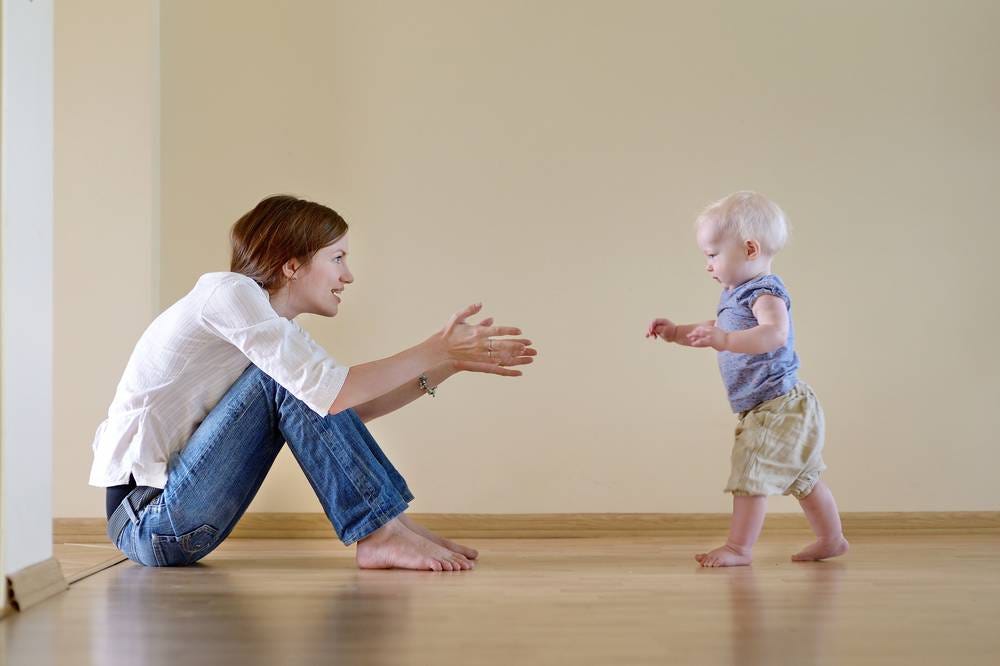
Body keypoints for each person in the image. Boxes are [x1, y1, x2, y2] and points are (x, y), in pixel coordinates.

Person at [90, 194, 536, 571]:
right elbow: (332, 394)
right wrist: (434, 349)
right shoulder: (228, 294)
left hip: (177, 521)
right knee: (302, 386)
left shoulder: (271, 329)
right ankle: (380, 531)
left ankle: (391, 524)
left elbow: (339, 413)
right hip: (150, 519)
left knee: (312, 391)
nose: (348, 275)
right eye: (337, 258)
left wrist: (448, 365)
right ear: (291, 266)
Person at [646, 191, 848, 567]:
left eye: (712, 254)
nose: (707, 265)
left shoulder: (765, 293)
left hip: (777, 406)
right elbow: (715, 328)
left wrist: (724, 340)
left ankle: (739, 548)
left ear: (750, 249)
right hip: (777, 405)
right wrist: (676, 332)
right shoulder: (733, 294)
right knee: (803, 478)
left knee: (749, 472)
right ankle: (832, 539)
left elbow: (774, 334)